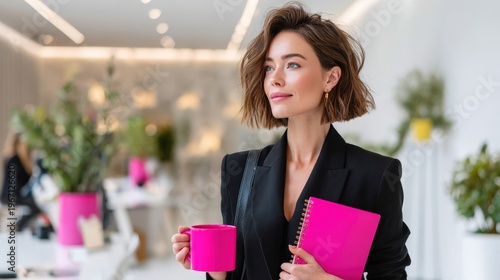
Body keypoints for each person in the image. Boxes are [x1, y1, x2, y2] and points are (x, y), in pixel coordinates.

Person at [172, 2, 411, 279]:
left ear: (331, 77)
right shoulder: (238, 170)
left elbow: (392, 274)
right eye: (269, 68)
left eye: (292, 64)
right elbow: (237, 273)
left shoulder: (374, 176)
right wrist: (213, 265)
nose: (275, 79)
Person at [1, 130, 44, 232]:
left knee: (37, 203)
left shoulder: (15, 158)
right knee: (37, 204)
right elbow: (14, 184)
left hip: (11, 195)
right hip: (12, 197)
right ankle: (17, 226)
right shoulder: (14, 160)